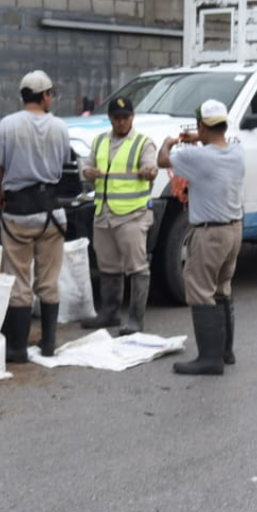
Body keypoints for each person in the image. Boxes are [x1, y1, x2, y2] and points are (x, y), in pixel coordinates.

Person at [0, 70, 71, 362]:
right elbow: (63, 163)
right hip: (51, 210)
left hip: (18, 212)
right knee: (49, 280)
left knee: (18, 280)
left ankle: (17, 348)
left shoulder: (7, 125)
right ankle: (48, 344)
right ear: (45, 95)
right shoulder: (60, 127)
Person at [158, 99, 245, 375]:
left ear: (201, 126)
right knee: (222, 288)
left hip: (210, 233)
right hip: (233, 230)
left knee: (199, 291)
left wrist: (170, 142)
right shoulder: (237, 153)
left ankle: (209, 358)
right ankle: (225, 351)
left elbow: (162, 160)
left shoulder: (196, 157)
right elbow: (215, 142)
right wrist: (201, 136)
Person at [80, 95, 158, 334]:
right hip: (104, 213)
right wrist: (88, 172)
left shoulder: (143, 143)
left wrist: (148, 172)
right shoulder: (99, 141)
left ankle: (135, 319)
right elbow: (85, 167)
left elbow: (151, 168)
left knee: (137, 267)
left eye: (125, 117)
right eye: (117, 118)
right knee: (108, 265)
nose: (121, 122)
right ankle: (110, 312)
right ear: (110, 119)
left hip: (131, 215)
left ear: (132, 117)